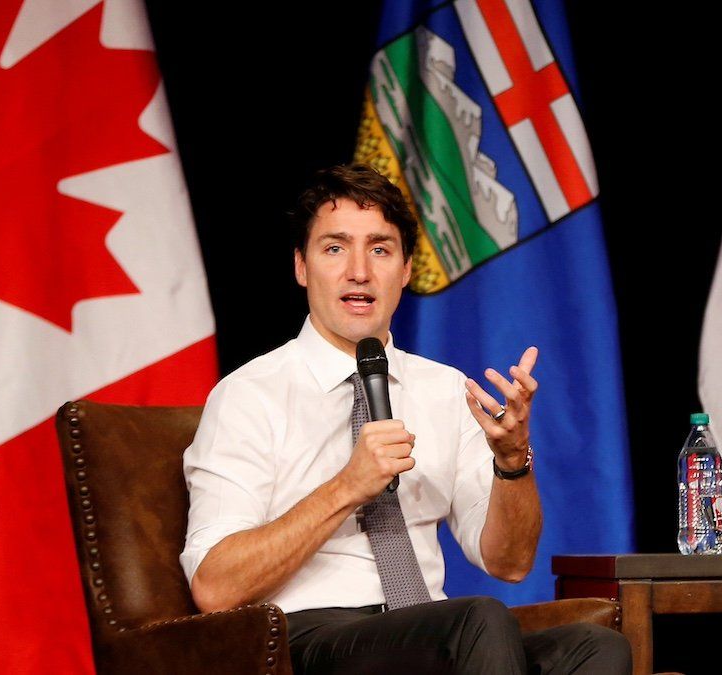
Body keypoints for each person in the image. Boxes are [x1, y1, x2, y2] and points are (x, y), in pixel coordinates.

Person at [180, 164, 629, 674]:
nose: (358, 271)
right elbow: (215, 587)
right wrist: (347, 486)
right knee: (477, 621)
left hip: (430, 635)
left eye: (379, 249)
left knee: (598, 647)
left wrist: (511, 463)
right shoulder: (248, 396)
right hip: (302, 640)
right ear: (301, 267)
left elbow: (509, 562)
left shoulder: (444, 389)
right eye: (334, 248)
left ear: (406, 270)